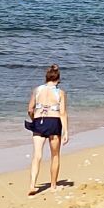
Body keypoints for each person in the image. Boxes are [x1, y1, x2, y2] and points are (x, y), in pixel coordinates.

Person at [26, 64, 68, 195]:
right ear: (58, 79)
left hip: (39, 121)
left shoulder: (37, 90)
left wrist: (34, 119)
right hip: (54, 122)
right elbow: (62, 113)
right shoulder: (60, 93)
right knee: (55, 155)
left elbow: (30, 109)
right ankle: (53, 185)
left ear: (46, 77)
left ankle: (32, 185)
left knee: (37, 155)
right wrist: (66, 131)